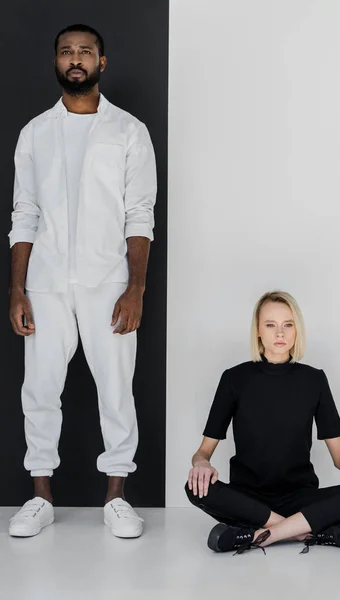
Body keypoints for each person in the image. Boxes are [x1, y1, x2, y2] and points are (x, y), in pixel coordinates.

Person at [8, 24, 157, 539]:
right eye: (67, 52)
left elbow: (140, 214)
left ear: (102, 62)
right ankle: (40, 496)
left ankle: (116, 497)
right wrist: (17, 288)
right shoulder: (35, 133)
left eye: (85, 52)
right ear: (55, 61)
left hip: (109, 283)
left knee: (115, 388)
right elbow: (24, 212)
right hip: (46, 283)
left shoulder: (128, 131)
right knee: (40, 389)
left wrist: (135, 288)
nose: (76, 59)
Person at [185, 291, 340, 554]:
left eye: (287, 325)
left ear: (296, 330)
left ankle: (260, 534)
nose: (279, 333)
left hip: (301, 497)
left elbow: (339, 456)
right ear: (258, 330)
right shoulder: (234, 378)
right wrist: (201, 465)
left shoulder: (314, 380)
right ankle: (309, 530)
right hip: (248, 497)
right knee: (195, 487)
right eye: (271, 325)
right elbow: (204, 451)